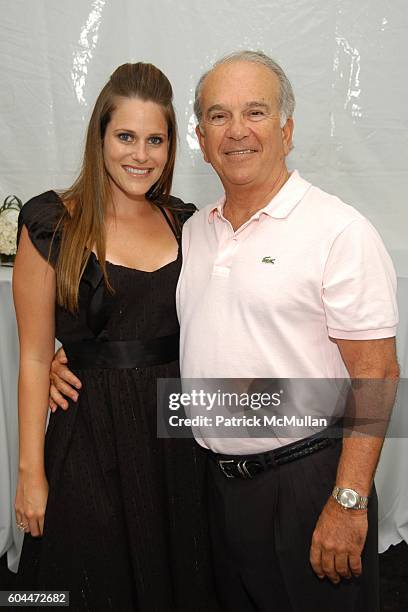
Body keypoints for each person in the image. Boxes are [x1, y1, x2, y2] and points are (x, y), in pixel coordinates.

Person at [49, 51, 399, 611]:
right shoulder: (194, 232)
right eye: (218, 115)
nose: (237, 131)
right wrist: (68, 358)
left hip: (308, 480)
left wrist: (349, 501)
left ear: (286, 129)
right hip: (209, 484)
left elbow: (377, 373)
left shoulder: (339, 231)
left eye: (255, 112)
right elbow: (143, 324)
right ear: (201, 139)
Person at [14, 62, 217, 611]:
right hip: (89, 433)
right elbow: (34, 358)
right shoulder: (52, 224)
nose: (140, 154)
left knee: (174, 576)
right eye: (125, 136)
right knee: (83, 579)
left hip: (174, 435)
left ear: (171, 146)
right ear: (99, 136)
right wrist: (30, 475)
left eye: (155, 139)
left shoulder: (186, 223)